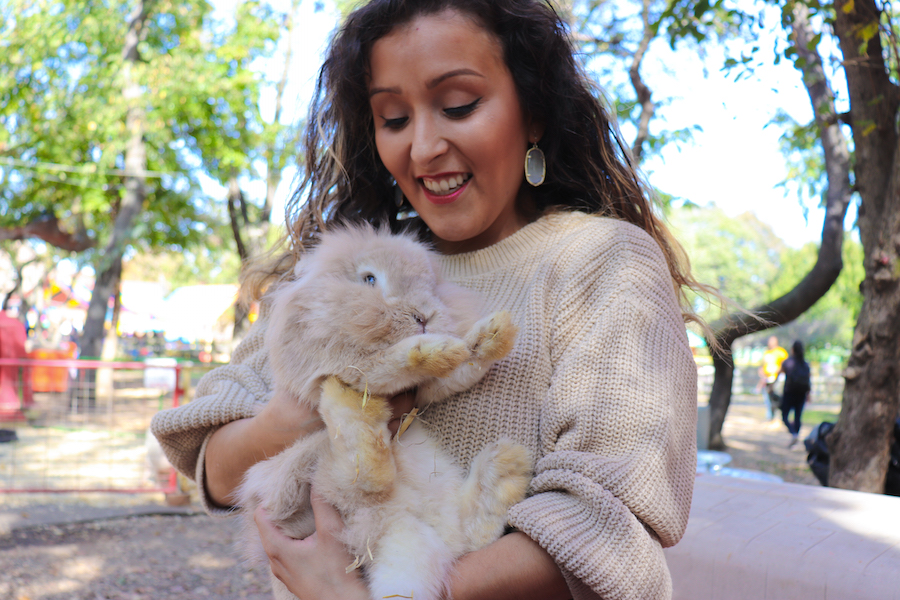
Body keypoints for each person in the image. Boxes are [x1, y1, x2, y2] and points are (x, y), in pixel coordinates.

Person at [150, 1, 708, 598]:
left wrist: (377, 592)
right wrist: (315, 401)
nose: (421, 148)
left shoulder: (599, 264)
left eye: (458, 106)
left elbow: (607, 515)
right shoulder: (359, 265)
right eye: (392, 118)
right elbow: (211, 461)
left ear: (535, 112)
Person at [780, 340, 811, 448]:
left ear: (792, 349)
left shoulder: (787, 362)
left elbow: (779, 373)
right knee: (798, 416)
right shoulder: (806, 364)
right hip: (801, 394)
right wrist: (808, 394)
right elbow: (808, 379)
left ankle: (793, 434)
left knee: (784, 416)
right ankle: (795, 435)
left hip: (789, 393)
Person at [758, 335, 788, 420]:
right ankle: (769, 417)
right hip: (767, 379)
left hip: (777, 380)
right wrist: (762, 375)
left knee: (777, 398)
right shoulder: (767, 353)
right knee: (767, 399)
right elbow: (763, 365)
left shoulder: (781, 352)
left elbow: (785, 366)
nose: (769, 343)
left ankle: (778, 417)